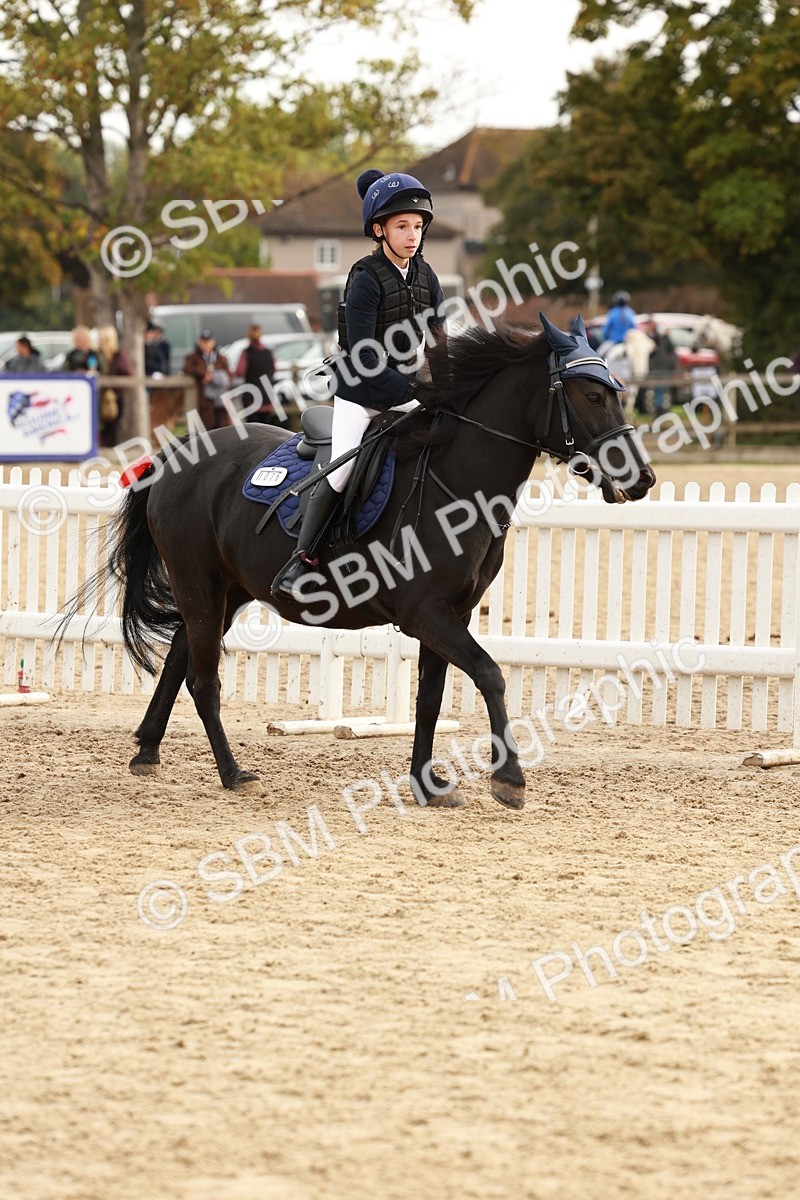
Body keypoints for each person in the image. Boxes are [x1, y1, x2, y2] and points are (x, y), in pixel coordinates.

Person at [272, 167, 447, 600]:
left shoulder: (428, 278)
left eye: (418, 227)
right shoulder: (365, 278)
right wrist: (410, 392)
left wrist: (447, 387)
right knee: (342, 469)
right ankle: (301, 559)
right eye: (402, 226)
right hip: (360, 392)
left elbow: (440, 343)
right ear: (379, 229)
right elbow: (365, 355)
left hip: (409, 390)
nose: (412, 235)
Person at [184, 329, 232, 431]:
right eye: (203, 341)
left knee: (223, 428)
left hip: (220, 398)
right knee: (206, 429)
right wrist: (203, 374)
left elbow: (229, 374)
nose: (205, 344)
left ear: (213, 342)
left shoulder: (221, 358)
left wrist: (214, 376)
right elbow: (187, 369)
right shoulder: (193, 357)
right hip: (204, 400)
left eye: (208, 341)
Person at [233, 324, 278, 424]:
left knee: (253, 430)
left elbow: (239, 372)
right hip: (266, 395)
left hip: (251, 397)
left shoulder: (246, 353)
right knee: (267, 430)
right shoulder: (268, 352)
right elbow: (274, 369)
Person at [97, 325, 132, 448]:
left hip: (114, 398)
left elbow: (127, 375)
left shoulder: (118, 356)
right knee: (102, 427)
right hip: (100, 397)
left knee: (113, 427)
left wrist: (114, 390)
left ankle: (110, 451)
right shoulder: (99, 356)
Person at [637, 317, 677, 416]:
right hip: (655, 369)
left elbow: (673, 353)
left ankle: (660, 410)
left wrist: (670, 365)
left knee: (661, 390)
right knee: (657, 390)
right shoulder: (648, 339)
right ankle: (659, 410)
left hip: (662, 368)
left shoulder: (662, 338)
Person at [599, 291, 637, 356]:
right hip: (628, 342)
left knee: (599, 354)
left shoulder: (612, 313)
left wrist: (606, 339)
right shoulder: (631, 312)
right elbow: (634, 329)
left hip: (614, 341)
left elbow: (605, 331)